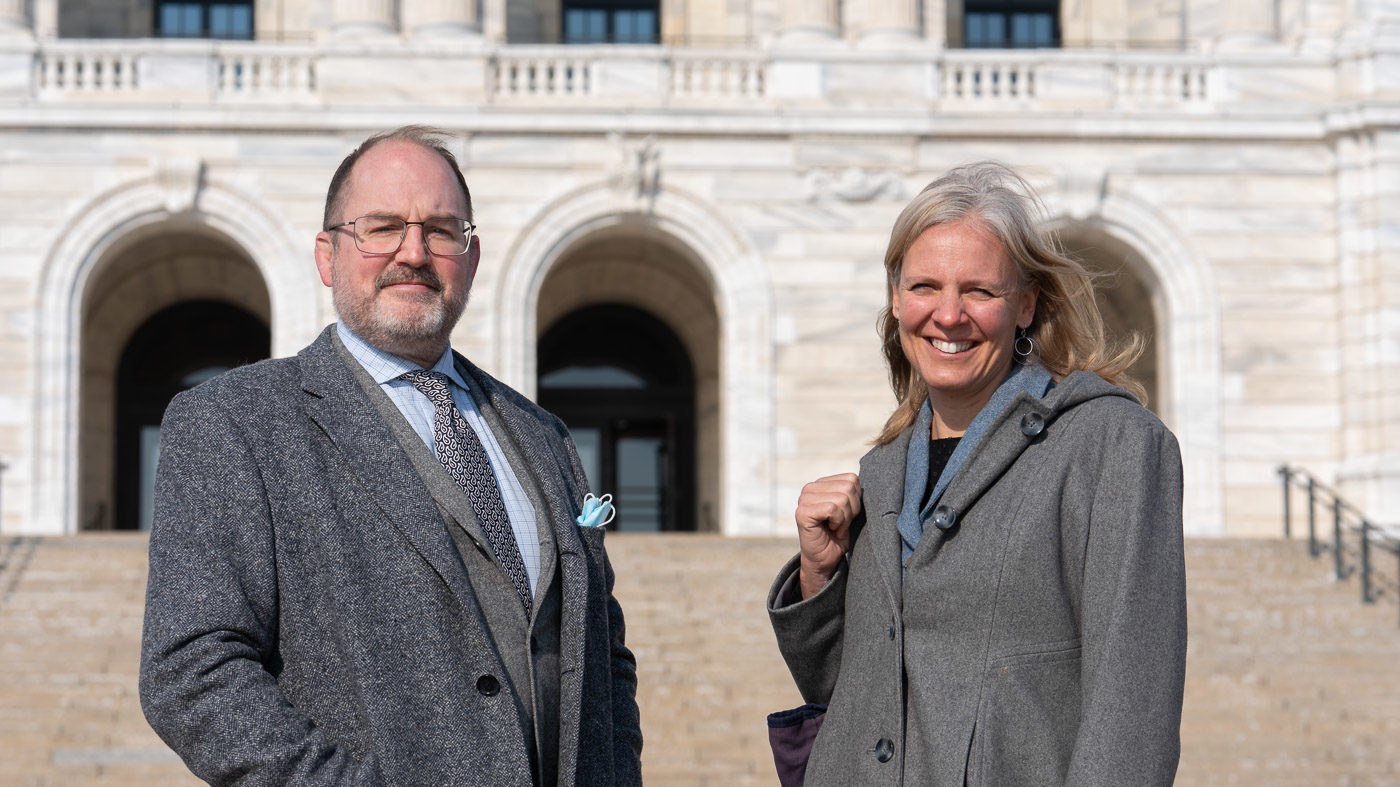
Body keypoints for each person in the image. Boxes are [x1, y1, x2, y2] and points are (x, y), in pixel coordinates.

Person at [140, 126, 642, 786]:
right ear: (328, 255)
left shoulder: (544, 435)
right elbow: (191, 669)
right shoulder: (233, 422)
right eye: (381, 227)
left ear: (473, 253)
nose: (414, 251)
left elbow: (603, 654)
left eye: (441, 229)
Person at [767, 162, 1186, 786]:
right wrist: (820, 575)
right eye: (925, 287)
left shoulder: (1111, 446)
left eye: (980, 292)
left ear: (1025, 305)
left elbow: (1132, 703)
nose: (949, 314)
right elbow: (855, 693)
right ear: (895, 299)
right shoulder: (880, 472)